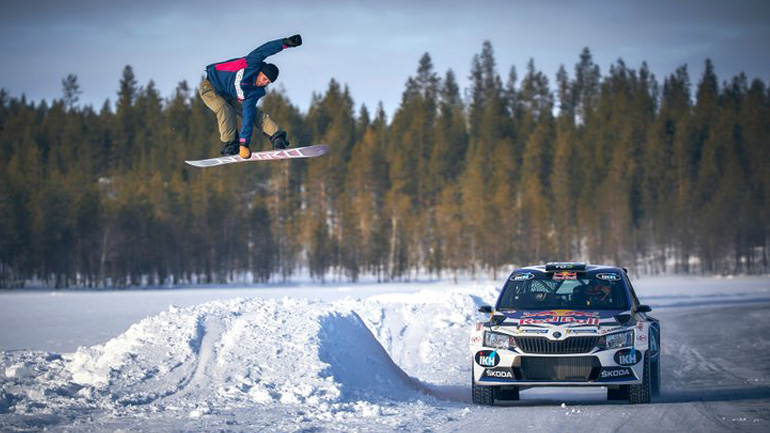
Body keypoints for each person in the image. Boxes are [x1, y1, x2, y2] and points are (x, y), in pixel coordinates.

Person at [199, 35, 302, 159]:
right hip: (211, 86)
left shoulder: (254, 92)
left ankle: (277, 137)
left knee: (253, 114)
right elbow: (264, 50)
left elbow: (247, 117)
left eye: (268, 82)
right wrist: (284, 43)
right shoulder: (251, 64)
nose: (264, 82)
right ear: (260, 72)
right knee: (224, 108)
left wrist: (244, 143)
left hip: (230, 95)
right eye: (264, 78)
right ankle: (230, 144)